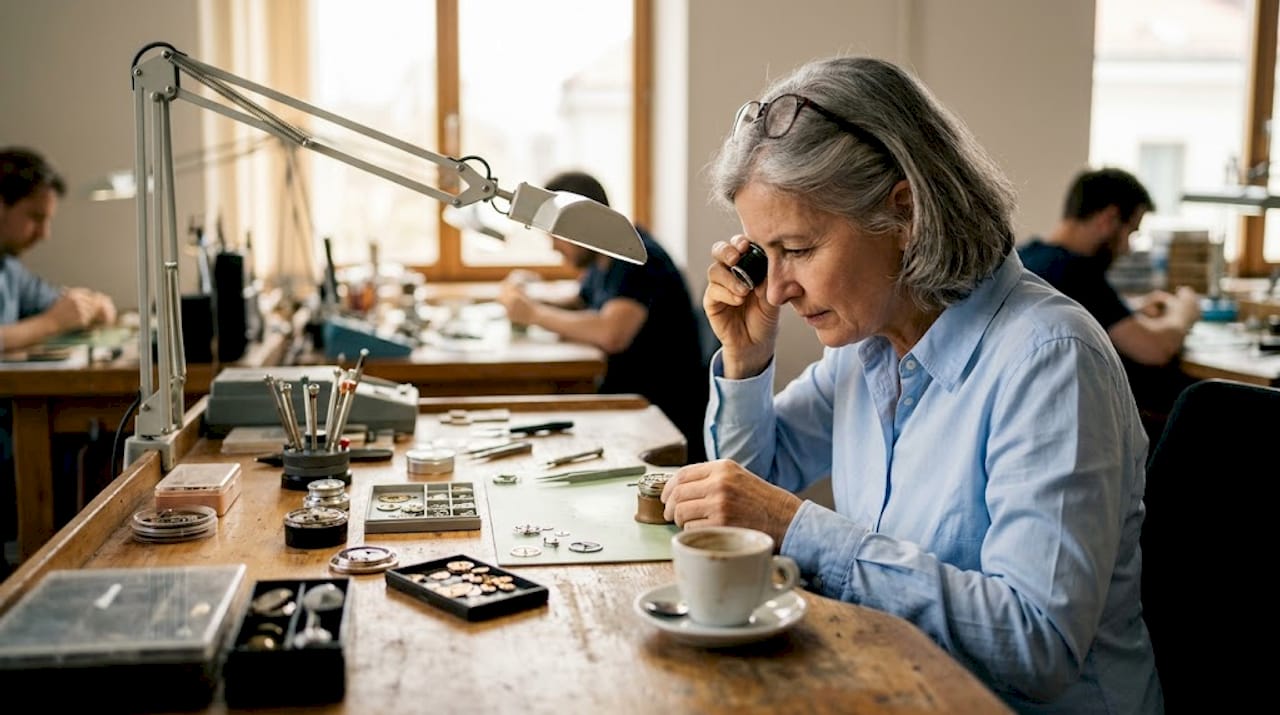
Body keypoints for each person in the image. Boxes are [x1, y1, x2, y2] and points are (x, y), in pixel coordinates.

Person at [660, 57, 1161, 712]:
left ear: (905, 214)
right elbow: (755, 489)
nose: (776, 289)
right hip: (899, 687)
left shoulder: (1050, 360)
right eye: (763, 254)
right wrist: (747, 360)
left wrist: (801, 527)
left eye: (800, 249)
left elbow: (1037, 645)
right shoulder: (870, 342)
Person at [497, 171, 709, 463]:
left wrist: (532, 313)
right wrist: (530, 296)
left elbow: (611, 333)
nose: (553, 246)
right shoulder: (603, 256)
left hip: (656, 414)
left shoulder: (636, 258)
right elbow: (579, 300)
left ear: (578, 225)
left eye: (556, 235)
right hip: (627, 405)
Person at [1019, 168, 1200, 439]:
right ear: (1109, 219)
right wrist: (1184, 312)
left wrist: (1134, 309)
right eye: (1130, 231)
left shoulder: (1030, 257)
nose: (1127, 248)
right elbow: (1154, 349)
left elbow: (1089, 313)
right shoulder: (1076, 271)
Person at [0, 147, 117, 352]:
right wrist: (50, 324)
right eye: (36, 217)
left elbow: (58, 304)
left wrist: (89, 306)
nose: (44, 234)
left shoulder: (9, 269)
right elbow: (55, 318)